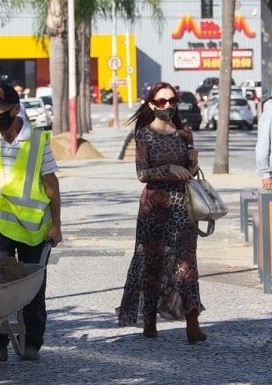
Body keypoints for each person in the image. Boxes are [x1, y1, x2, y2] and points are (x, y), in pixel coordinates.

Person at [0, 83, 62, 361]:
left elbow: (51, 185)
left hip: (33, 230)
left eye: (0, 107)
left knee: (32, 290)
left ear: (16, 108)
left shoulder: (37, 140)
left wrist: (57, 225)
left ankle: (32, 341)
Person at [117, 81, 207, 345]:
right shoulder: (144, 135)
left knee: (186, 264)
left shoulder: (184, 133)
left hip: (182, 207)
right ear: (150, 104)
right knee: (153, 263)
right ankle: (150, 321)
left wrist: (192, 159)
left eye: (171, 101)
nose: (166, 106)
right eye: (160, 101)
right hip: (154, 207)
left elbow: (190, 172)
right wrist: (168, 168)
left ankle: (192, 322)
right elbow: (142, 173)